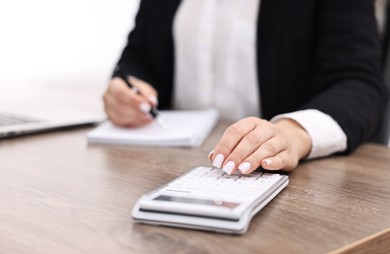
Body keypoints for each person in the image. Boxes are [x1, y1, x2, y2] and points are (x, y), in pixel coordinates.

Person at [103, 0, 388, 174]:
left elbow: (359, 83)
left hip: (271, 180)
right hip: (161, 169)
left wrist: (293, 133)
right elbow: (137, 56)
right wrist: (127, 88)